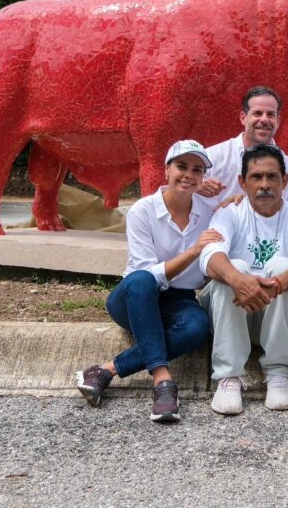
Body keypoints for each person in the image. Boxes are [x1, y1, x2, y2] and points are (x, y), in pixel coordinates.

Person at [75, 140, 221, 422]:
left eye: (197, 169)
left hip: (180, 298)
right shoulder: (143, 210)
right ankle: (162, 382)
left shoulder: (210, 212)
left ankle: (105, 370)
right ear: (166, 170)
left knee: (197, 328)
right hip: (135, 296)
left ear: (203, 177)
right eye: (181, 166)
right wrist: (193, 251)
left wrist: (234, 202)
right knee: (143, 280)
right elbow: (148, 274)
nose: (188, 175)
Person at [199, 144, 288, 415]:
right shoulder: (228, 214)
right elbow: (209, 255)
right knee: (233, 266)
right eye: (256, 177)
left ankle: (277, 372)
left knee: (283, 267)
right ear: (243, 182)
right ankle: (229, 376)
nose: (265, 184)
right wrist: (238, 279)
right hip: (232, 311)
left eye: (272, 177)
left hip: (273, 310)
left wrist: (276, 284)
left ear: (285, 181)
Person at [199, 86, 288, 206]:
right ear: (243, 118)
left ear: (278, 121)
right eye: (257, 113)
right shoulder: (211, 158)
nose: (264, 119)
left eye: (270, 115)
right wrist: (195, 188)